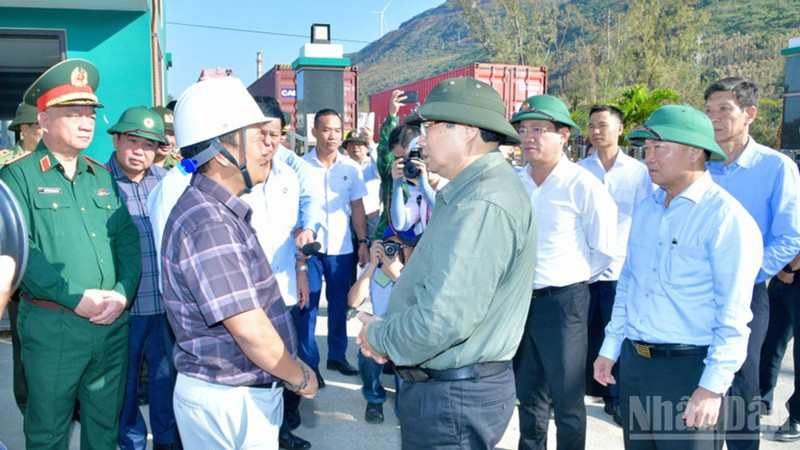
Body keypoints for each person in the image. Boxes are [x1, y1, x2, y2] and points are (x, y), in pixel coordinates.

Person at [357, 77, 538, 448]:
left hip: (453, 399)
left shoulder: (482, 203)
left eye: (429, 127)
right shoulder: (472, 192)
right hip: (450, 391)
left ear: (468, 131)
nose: (420, 139)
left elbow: (443, 320)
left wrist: (379, 335)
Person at [161, 76, 317, 448]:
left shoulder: (215, 209)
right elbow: (248, 328)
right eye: (256, 137)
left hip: (233, 394)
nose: (269, 147)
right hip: (230, 400)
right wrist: (299, 377)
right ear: (220, 153)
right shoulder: (210, 222)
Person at [594, 104, 763, 449]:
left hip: (688, 372)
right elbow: (629, 284)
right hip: (638, 366)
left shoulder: (725, 219)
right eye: (646, 149)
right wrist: (610, 347)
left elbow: (734, 314)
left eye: (660, 148)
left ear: (694, 152)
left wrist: (711, 387)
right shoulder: (648, 209)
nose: (648, 158)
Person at [0, 58, 142, 449]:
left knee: (104, 427)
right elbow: (18, 249)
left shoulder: (102, 177)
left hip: (111, 325)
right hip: (55, 328)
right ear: (43, 122)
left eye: (90, 114)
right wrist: (74, 298)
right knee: (48, 431)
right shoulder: (17, 177)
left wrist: (121, 292)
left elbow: (127, 241)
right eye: (73, 113)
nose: (86, 122)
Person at [512, 94, 617, 450]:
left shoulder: (582, 184)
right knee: (528, 392)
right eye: (523, 129)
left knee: (567, 397)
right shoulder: (515, 182)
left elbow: (603, 249)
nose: (529, 137)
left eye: (539, 129)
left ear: (563, 135)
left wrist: (569, 280)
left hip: (564, 303)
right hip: (519, 302)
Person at [703, 77, 800, 448]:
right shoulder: (699, 163)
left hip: (747, 293)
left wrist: (745, 275)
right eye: (709, 110)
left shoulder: (775, 168)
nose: (714, 118)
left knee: (741, 381)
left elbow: (789, 235)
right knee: (698, 379)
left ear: (750, 115)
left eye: (724, 110)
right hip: (695, 290)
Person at [105, 106, 178, 450]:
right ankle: (131, 442)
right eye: (132, 141)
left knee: (166, 383)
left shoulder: (165, 183)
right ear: (117, 139)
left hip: (164, 306)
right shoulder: (98, 184)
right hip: (123, 310)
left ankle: (167, 442)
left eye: (149, 145)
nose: (139, 151)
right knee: (125, 387)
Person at [577, 104, 654, 425]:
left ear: (620, 129)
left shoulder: (639, 173)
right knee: (582, 335)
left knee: (619, 334)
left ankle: (616, 397)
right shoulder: (580, 170)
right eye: (592, 125)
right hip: (584, 268)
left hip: (622, 270)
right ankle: (580, 389)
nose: (596, 131)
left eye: (603, 125)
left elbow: (646, 219)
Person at [244, 97, 313, 450]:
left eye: (276, 133)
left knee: (288, 359)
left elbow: (293, 230)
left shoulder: (289, 175)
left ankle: (283, 430)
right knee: (255, 365)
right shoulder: (235, 179)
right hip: (247, 298)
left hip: (285, 288)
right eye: (262, 133)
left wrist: (302, 270)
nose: (270, 141)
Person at [299, 109, 369, 381]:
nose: (332, 135)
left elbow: (357, 207)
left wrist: (362, 241)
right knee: (309, 305)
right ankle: (309, 362)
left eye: (337, 130)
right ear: (314, 131)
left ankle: (337, 356)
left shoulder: (351, 168)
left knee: (340, 306)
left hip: (342, 249)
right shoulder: (301, 166)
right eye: (326, 129)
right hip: (311, 250)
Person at [348, 226, 416, 425]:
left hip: (407, 334)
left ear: (412, 248)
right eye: (390, 245)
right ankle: (374, 397)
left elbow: (418, 305)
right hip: (382, 331)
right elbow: (352, 301)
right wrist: (371, 264)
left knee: (406, 411)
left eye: (401, 245)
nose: (394, 250)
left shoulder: (419, 271)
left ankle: (404, 402)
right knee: (366, 348)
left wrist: (398, 276)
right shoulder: (376, 270)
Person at [2, 100, 44, 417]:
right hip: (18, 277)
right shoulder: (6, 168)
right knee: (24, 346)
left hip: (54, 272)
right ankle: (27, 403)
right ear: (25, 129)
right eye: (40, 125)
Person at [389, 136, 447, 236]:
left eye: (425, 158)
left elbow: (444, 214)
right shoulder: (418, 193)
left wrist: (425, 187)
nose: (422, 164)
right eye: (417, 160)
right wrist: (397, 184)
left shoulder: (450, 184)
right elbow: (400, 224)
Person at [343, 130, 381, 239]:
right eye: (352, 144)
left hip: (372, 218)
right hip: (349, 218)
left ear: (366, 147)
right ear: (346, 148)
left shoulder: (372, 164)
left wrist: (371, 143)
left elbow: (381, 169)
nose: (356, 147)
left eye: (360, 144)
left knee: (373, 252)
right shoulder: (342, 165)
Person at [150, 105, 182, 170]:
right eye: (162, 134)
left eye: (172, 134)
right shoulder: (134, 165)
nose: (168, 141)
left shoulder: (180, 166)